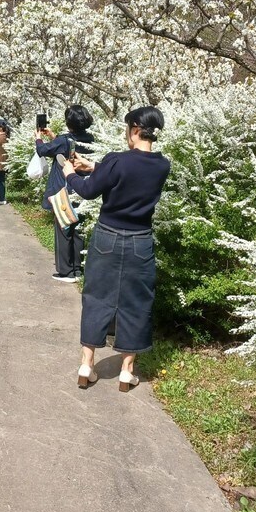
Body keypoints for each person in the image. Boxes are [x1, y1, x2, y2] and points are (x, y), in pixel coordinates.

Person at [60, 106, 170, 393]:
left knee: (97, 296)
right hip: (140, 240)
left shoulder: (116, 160)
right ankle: (127, 371)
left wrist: (71, 173)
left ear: (135, 129)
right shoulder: (162, 165)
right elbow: (132, 174)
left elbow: (88, 191)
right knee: (137, 302)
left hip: (107, 237)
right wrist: (94, 166)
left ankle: (87, 365)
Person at [35, 105, 95, 282]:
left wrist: (38, 138)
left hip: (64, 189)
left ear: (69, 122)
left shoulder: (64, 140)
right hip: (82, 188)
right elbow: (67, 148)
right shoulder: (90, 139)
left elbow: (43, 150)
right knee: (78, 229)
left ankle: (66, 271)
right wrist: (54, 137)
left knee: (64, 228)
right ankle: (77, 269)